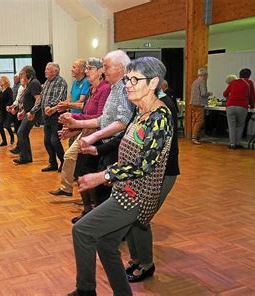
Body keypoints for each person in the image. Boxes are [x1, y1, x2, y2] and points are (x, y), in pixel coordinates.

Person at [68, 56, 173, 296]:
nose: (128, 84)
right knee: (106, 243)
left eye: (135, 79)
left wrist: (101, 176)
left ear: (154, 82)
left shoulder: (159, 118)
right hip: (125, 190)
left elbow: (143, 165)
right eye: (127, 79)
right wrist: (97, 148)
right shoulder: (141, 112)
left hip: (135, 195)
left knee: (82, 232)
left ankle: (86, 291)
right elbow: (125, 144)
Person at [59, 50, 134, 224]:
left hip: (115, 144)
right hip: (105, 141)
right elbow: (104, 118)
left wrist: (92, 137)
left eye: (106, 67)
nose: (104, 70)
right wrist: (76, 124)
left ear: (121, 68)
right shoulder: (114, 87)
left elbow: (122, 121)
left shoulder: (123, 88)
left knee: (109, 189)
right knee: (100, 186)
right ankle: (101, 221)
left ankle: (109, 226)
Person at [124, 88, 180, 283]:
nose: (129, 85)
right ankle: (136, 259)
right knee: (131, 217)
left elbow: (152, 156)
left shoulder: (164, 109)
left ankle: (147, 264)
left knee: (141, 218)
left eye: (134, 79)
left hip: (162, 173)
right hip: (142, 172)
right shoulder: (142, 107)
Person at [50, 57, 110, 197]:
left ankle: (89, 198)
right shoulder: (91, 88)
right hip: (86, 128)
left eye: (90, 69)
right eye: (87, 68)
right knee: (72, 158)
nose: (87, 72)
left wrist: (74, 119)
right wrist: (72, 128)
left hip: (97, 131)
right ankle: (71, 190)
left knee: (84, 165)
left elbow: (99, 117)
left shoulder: (105, 88)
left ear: (100, 71)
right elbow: (85, 112)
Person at [30, 62, 68, 172]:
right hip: (46, 115)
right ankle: (53, 163)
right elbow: (40, 99)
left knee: (54, 140)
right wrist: (33, 111)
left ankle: (63, 162)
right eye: (46, 69)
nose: (45, 71)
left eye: (48, 69)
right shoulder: (46, 82)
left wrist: (50, 107)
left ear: (55, 71)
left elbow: (58, 98)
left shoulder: (60, 82)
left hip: (56, 114)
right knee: (47, 141)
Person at [14, 65, 42, 164]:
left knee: (21, 132)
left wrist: (32, 112)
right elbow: (29, 101)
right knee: (23, 133)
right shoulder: (31, 83)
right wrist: (24, 111)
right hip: (30, 112)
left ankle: (25, 157)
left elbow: (38, 99)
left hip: (34, 113)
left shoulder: (34, 83)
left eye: (23, 73)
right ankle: (26, 157)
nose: (21, 75)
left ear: (28, 74)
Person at [223, 68, 255, 149]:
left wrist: (230, 97)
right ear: (249, 76)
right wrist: (252, 106)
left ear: (239, 74)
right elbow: (252, 96)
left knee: (231, 126)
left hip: (230, 106)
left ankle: (232, 144)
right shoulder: (249, 83)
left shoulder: (233, 82)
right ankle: (237, 143)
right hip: (242, 107)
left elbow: (224, 94)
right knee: (240, 125)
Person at [189, 68, 212, 145]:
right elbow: (203, 93)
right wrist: (209, 93)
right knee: (199, 121)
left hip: (192, 103)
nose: (207, 77)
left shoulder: (195, 81)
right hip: (199, 104)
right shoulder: (202, 81)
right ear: (204, 75)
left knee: (194, 121)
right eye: (207, 75)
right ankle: (194, 137)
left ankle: (193, 136)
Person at [0, 76, 15, 146]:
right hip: (2, 111)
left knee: (7, 126)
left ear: (5, 81)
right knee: (0, 125)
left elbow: (11, 99)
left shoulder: (9, 90)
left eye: (1, 80)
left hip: (8, 110)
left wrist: (8, 106)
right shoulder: (1, 91)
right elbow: (1, 103)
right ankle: (4, 141)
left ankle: (12, 137)